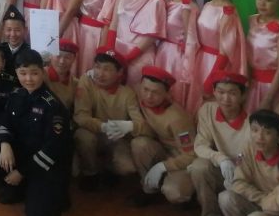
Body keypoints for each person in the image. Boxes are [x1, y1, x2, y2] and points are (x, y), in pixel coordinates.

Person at [0, 49, 71, 216]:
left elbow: (53, 149)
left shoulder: (53, 106)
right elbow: (5, 118)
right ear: (16, 73)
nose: (28, 79)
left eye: (34, 73)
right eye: (23, 73)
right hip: (22, 156)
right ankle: (19, 187)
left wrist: (21, 172)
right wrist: (4, 143)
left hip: (44, 166)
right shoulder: (16, 95)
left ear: (43, 72)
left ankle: (33, 187)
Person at [73, 49, 146, 191]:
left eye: (107, 69)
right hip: (93, 132)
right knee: (83, 136)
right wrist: (104, 126)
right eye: (97, 67)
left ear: (119, 73)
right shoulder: (86, 81)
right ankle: (91, 172)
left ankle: (109, 169)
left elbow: (140, 122)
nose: (100, 73)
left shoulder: (128, 93)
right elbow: (81, 116)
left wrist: (130, 126)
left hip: (116, 139)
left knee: (127, 167)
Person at [189, 72, 250, 216]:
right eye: (221, 92)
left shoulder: (252, 122)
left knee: (233, 198)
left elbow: (251, 158)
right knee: (199, 167)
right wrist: (221, 158)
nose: (225, 99)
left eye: (232, 93)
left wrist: (237, 173)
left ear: (243, 95)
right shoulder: (207, 110)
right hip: (220, 168)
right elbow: (200, 145)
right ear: (214, 92)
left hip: (242, 174)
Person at [128, 65, 197, 207]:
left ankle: (189, 194)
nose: (148, 96)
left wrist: (163, 166)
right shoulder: (136, 95)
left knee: (175, 192)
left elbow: (191, 154)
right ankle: (148, 188)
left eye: (156, 93)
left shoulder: (178, 118)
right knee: (139, 144)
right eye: (145, 89)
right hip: (158, 148)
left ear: (167, 94)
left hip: (179, 156)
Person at [217, 109, 279, 216]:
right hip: (264, 204)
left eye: (267, 132)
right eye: (254, 130)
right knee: (226, 198)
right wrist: (263, 200)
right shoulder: (248, 148)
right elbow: (238, 183)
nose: (259, 137)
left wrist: (267, 208)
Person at [105, 0, 167, 88]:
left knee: (135, 90)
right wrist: (109, 51)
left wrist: (129, 57)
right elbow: (114, 23)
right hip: (118, 49)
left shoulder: (157, 0)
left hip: (140, 54)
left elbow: (152, 36)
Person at [190, 0, 247, 110]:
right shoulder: (208, 5)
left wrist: (212, 78)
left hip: (216, 63)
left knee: (209, 103)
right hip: (201, 59)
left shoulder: (228, 12)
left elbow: (226, 51)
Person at [155, 0, 200, 111]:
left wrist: (186, 54)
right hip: (163, 49)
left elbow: (190, 36)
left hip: (176, 54)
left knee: (172, 90)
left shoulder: (189, 6)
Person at [247, 0, 279, 113]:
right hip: (252, 83)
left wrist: (268, 99)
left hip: (272, 87)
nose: (262, 3)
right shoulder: (253, 21)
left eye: (268, 0)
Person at [46, 40, 78, 111]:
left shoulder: (75, 83)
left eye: (67, 57)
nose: (62, 61)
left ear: (74, 59)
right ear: (50, 55)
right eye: (58, 56)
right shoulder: (40, 76)